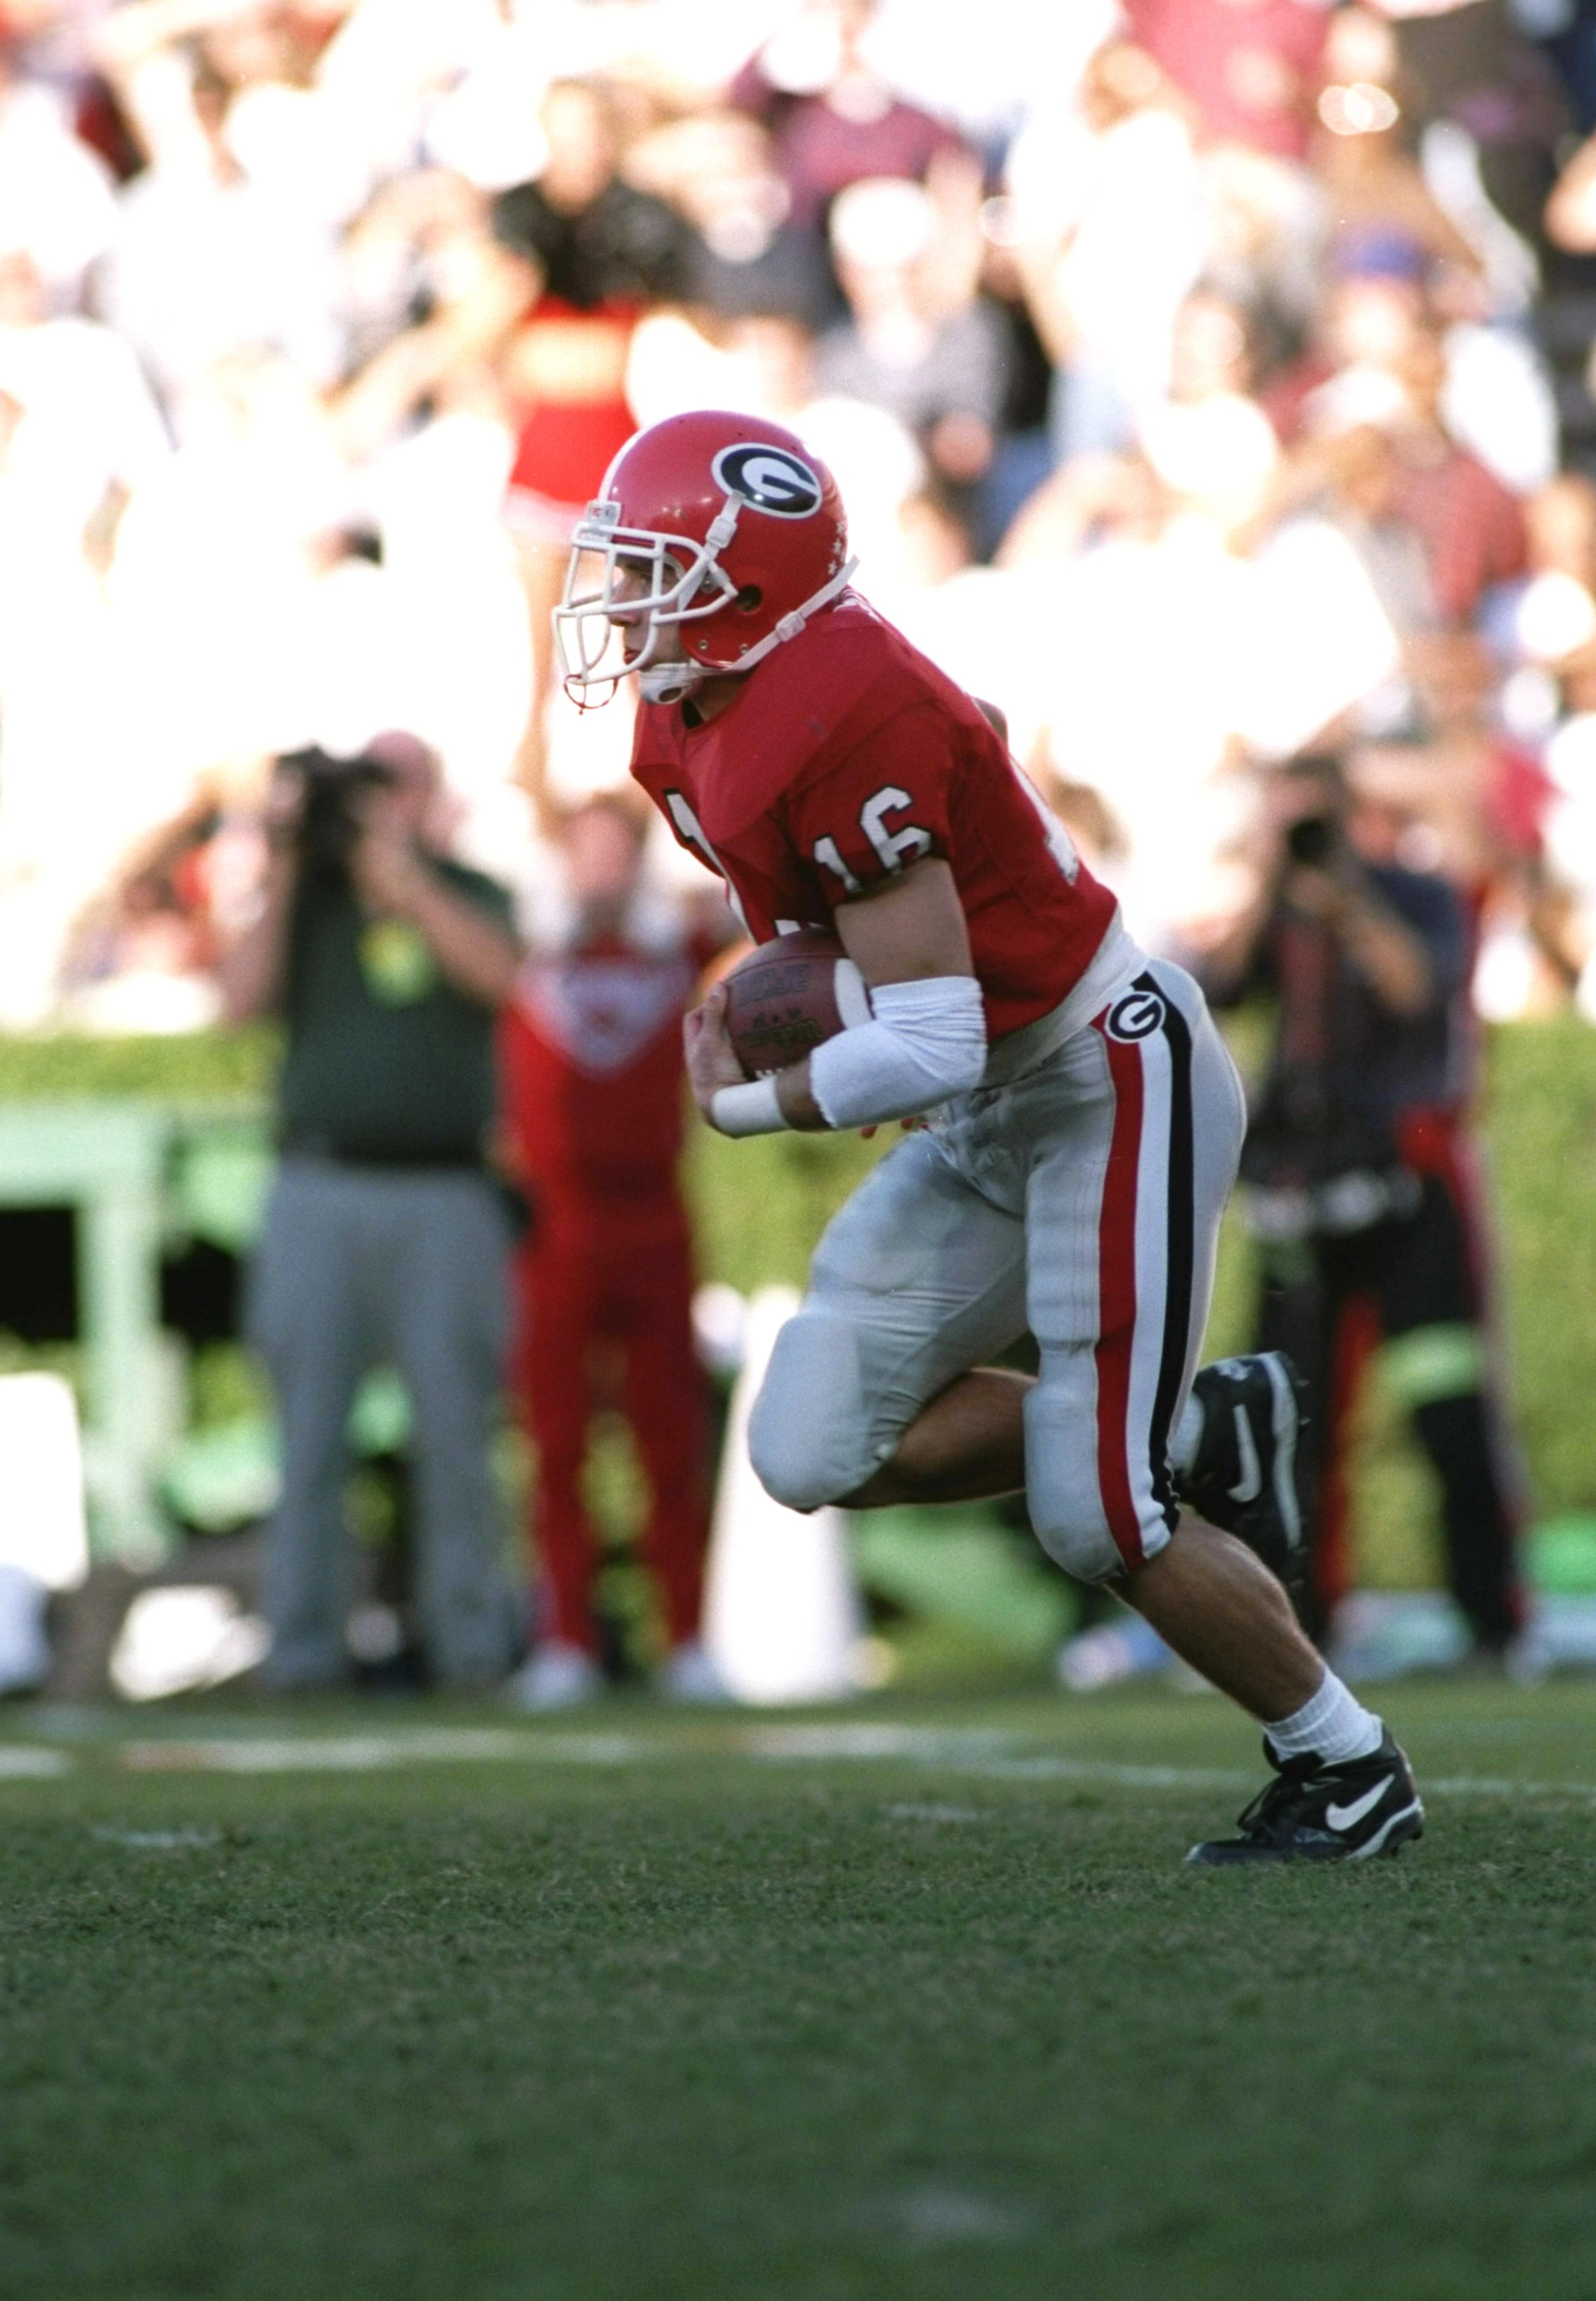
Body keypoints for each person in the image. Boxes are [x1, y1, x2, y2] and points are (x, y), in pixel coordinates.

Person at [554, 406, 1424, 1865]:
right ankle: (1197, 1424)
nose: (622, 599)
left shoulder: (846, 710)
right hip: (990, 1095)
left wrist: (750, 1095)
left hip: (1100, 1071)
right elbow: (874, 984)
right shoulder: (698, 700)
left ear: (749, 587)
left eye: (654, 568)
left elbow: (937, 1026)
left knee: (1101, 1516)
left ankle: (1343, 1761)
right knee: (809, 1436)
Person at [1200, 751, 1526, 1656]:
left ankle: (1492, 1619)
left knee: (1447, 1407)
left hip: (1404, 1191)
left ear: (1352, 818)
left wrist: (1345, 897)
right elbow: (1218, 987)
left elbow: (1419, 991)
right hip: (1300, 1193)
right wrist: (1271, 883)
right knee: (1288, 1425)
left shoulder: (1406, 895)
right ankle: (1297, 1629)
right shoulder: (1275, 915)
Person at [222, 730, 522, 1690]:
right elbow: (238, 1002)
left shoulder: (472, 892)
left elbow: (503, 978)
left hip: (445, 1187)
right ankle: (303, 1653)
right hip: (321, 1183)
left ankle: (471, 1649)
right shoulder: (305, 902)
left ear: (431, 798)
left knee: (457, 1434)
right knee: (307, 1435)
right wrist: (280, 857)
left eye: (398, 787)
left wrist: (407, 882)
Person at [499, 792, 729, 1706]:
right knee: (554, 1440)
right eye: (582, 853)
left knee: (669, 1437)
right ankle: (564, 1637)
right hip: (557, 1220)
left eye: (614, 852)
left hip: (653, 1213)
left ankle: (687, 1637)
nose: (599, 871)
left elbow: (754, 907)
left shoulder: (677, 946)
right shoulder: (524, 951)